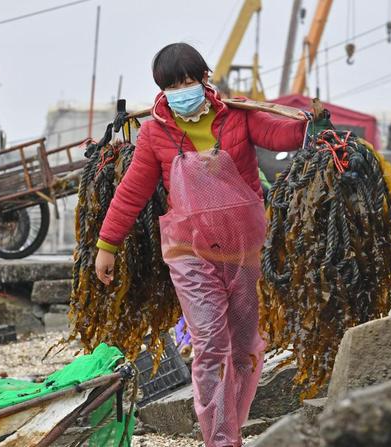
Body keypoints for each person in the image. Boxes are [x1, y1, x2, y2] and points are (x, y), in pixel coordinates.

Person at [95, 42, 308, 447]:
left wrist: (307, 122)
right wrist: (108, 244)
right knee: (210, 341)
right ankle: (220, 439)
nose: (183, 89)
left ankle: (235, 426)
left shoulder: (237, 118)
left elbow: (281, 133)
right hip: (189, 252)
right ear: (162, 88)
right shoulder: (155, 132)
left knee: (246, 344)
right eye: (173, 84)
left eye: (189, 80)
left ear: (204, 79)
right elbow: (131, 192)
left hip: (245, 249)